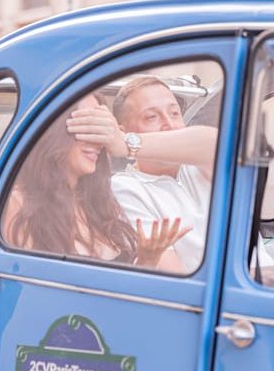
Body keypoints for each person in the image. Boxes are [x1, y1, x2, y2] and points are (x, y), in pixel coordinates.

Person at [2, 94, 190, 271]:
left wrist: (147, 261)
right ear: (55, 129)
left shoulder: (101, 201)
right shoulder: (19, 204)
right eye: (89, 126)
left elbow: (121, 289)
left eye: (103, 129)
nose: (99, 140)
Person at [66, 77, 217, 272]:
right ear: (123, 131)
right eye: (151, 117)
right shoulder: (124, 188)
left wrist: (125, 142)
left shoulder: (200, 166)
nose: (169, 124)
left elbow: (216, 143)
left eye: (174, 113)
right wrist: (124, 144)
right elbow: (173, 275)